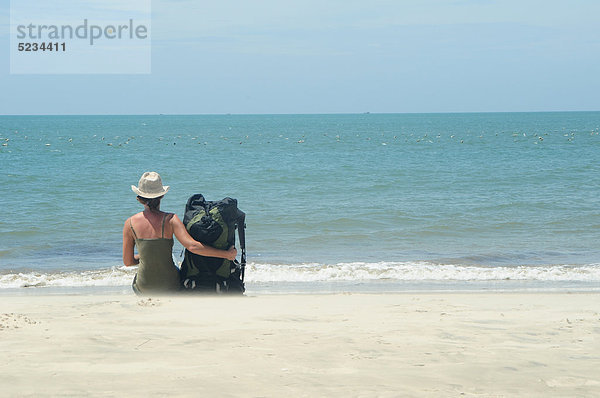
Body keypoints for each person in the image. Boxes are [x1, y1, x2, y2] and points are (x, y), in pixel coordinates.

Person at [123, 171, 237, 294]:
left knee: (143, 271)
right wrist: (226, 255)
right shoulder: (171, 219)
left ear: (139, 199)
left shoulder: (129, 223)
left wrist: (147, 255)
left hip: (144, 287)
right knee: (171, 257)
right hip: (170, 286)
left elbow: (128, 262)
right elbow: (193, 246)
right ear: (161, 196)